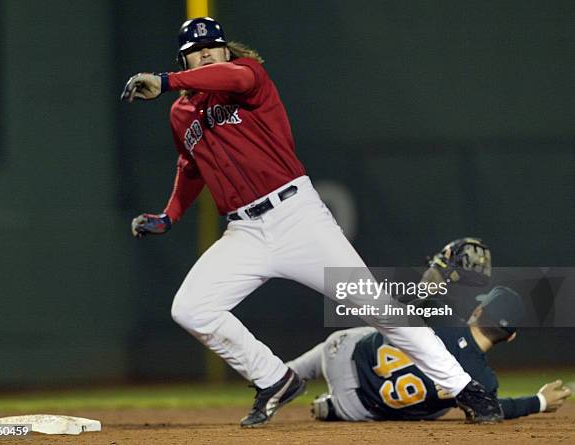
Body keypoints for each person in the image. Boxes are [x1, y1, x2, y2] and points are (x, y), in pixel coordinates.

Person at [120, 17, 501, 427]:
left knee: (380, 310)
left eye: (214, 45)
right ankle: (274, 378)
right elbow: (191, 166)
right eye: (197, 49)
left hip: (297, 218)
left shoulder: (248, 75)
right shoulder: (181, 114)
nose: (207, 51)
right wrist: (169, 215)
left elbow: (231, 76)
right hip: (245, 232)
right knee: (191, 309)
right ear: (185, 56)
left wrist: (167, 79)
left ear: (226, 50)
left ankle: (467, 390)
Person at [288, 277, 572, 421]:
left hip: (342, 351)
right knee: (440, 406)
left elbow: (391, 305)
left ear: (477, 310)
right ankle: (332, 408)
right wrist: (540, 402)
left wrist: (431, 283)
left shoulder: (441, 314)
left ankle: (280, 376)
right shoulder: (483, 381)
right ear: (510, 338)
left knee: (385, 329)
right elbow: (494, 410)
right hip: (357, 406)